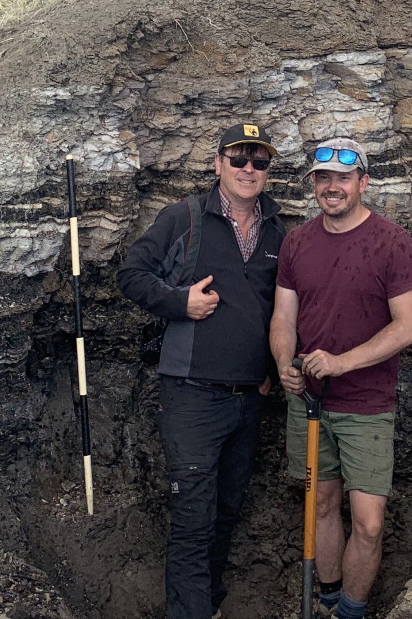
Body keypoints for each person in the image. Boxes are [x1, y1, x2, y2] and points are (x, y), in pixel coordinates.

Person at [117, 122, 288, 619]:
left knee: (226, 514)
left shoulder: (277, 230)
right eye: (238, 159)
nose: (249, 169)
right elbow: (131, 274)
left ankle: (206, 606)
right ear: (218, 164)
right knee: (194, 517)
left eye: (259, 161)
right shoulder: (184, 217)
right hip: (191, 395)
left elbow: (281, 310)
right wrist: (178, 302)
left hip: (250, 398)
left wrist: (274, 372)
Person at [270, 138, 412, 619]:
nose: (332, 188)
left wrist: (342, 362)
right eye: (322, 178)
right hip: (309, 402)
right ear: (313, 183)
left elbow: (407, 326)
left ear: (363, 182)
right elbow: (283, 317)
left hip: (367, 405)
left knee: (369, 523)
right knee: (320, 507)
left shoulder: (391, 241)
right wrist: (282, 364)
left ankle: (352, 613)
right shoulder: (297, 241)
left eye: (342, 178)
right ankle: (329, 596)